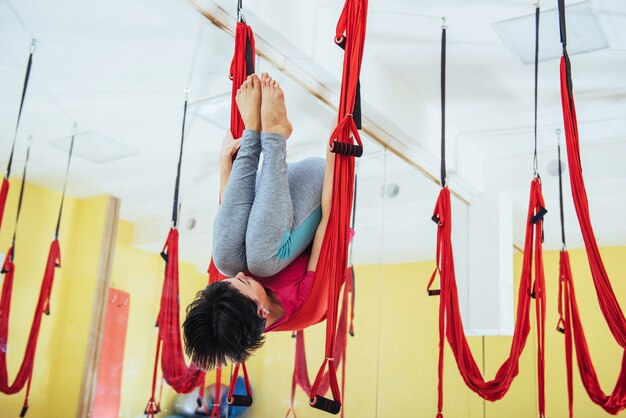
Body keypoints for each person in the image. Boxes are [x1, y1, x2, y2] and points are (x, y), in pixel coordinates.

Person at [183, 72, 335, 370]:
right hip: (315, 188)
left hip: (269, 188)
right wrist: (337, 158)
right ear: (262, 312)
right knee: (261, 262)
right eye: (244, 284)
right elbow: (331, 224)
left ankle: (255, 133)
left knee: (227, 259)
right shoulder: (305, 308)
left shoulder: (228, 298)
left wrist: (225, 163)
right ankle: (274, 134)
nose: (238, 277)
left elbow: (230, 219)